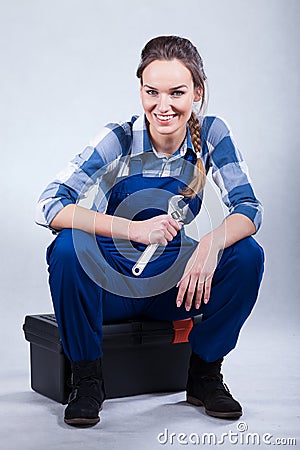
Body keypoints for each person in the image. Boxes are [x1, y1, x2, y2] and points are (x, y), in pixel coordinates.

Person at [35, 35, 264, 427]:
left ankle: (204, 374)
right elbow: (50, 204)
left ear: (197, 92)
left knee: (247, 255)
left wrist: (209, 245)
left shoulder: (211, 135)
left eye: (177, 92)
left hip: (175, 285)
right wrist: (133, 229)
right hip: (112, 285)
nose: (163, 106)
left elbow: (249, 208)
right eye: (151, 92)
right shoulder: (119, 138)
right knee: (69, 248)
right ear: (139, 90)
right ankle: (87, 380)